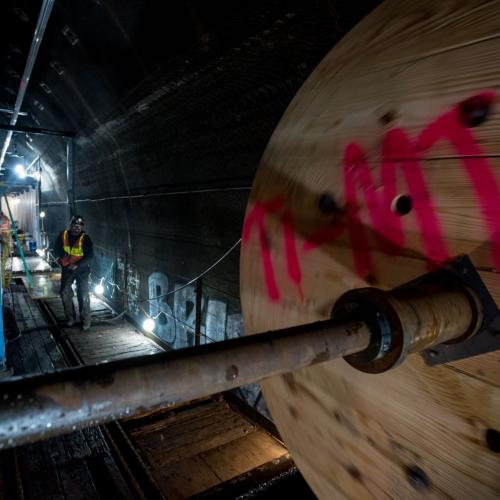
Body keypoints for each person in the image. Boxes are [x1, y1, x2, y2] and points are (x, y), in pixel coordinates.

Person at [52, 215, 94, 330]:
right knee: (65, 292)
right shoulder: (63, 235)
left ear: (82, 227)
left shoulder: (86, 239)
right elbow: (55, 249)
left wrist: (77, 265)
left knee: (83, 294)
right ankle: (70, 318)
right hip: (67, 269)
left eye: (79, 226)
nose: (77, 228)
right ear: (71, 225)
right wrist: (61, 260)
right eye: (75, 226)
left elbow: (90, 256)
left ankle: (85, 321)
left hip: (82, 270)